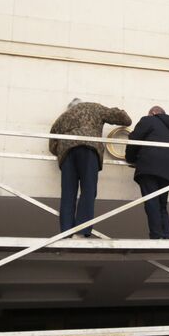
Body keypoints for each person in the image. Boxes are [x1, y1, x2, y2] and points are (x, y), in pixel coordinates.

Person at [49, 98, 131, 236]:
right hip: (89, 148)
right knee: (88, 190)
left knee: (68, 194)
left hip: (67, 153)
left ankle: (66, 232)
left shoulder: (62, 117)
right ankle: (82, 230)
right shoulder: (94, 108)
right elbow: (125, 119)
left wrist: (63, 149)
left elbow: (52, 144)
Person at [124, 105, 169, 239]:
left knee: (151, 202)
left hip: (149, 167)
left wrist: (130, 158)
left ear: (154, 112)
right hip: (168, 173)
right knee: (162, 205)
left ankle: (156, 235)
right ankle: (166, 235)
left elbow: (135, 138)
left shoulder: (149, 120)